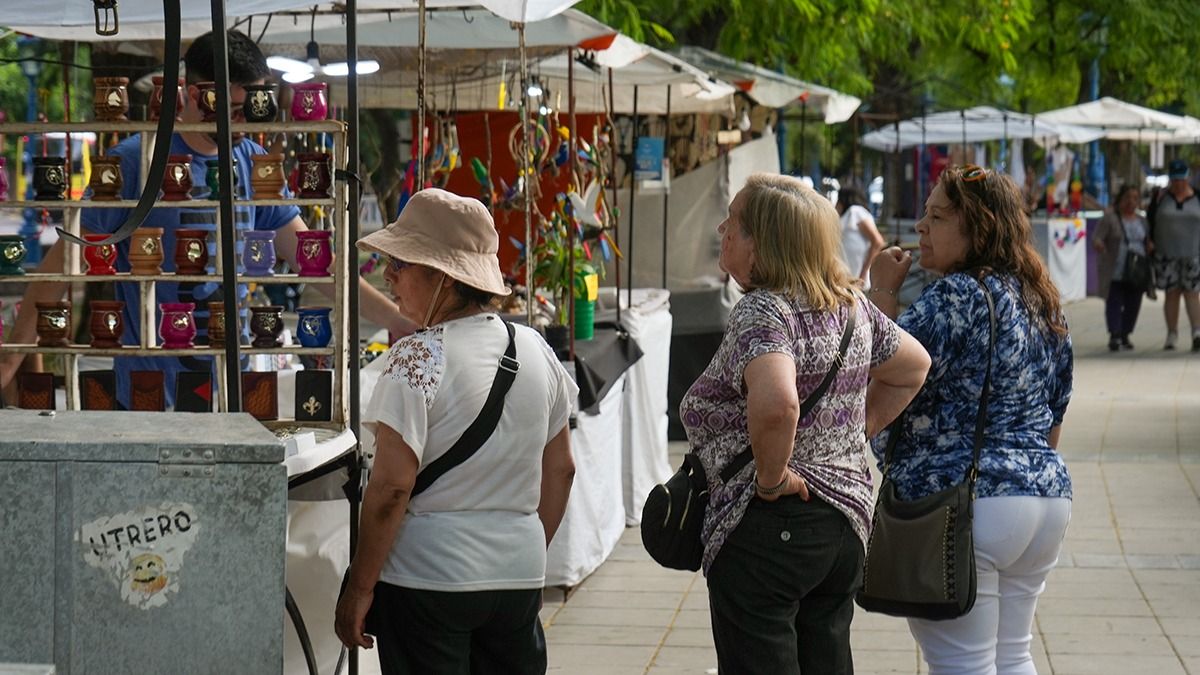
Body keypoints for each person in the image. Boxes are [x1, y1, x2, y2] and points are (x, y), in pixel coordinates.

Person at [0, 29, 411, 408]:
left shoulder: (252, 164)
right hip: (150, 396)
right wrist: (11, 360)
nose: (245, 121)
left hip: (234, 391)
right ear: (194, 96)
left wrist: (394, 319)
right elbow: (62, 266)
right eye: (231, 108)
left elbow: (319, 264)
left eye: (252, 107)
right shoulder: (136, 162)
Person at [681, 173, 931, 674]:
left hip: (770, 527)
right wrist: (852, 434)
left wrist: (773, 478)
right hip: (842, 526)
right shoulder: (851, 306)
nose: (721, 229)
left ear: (760, 245)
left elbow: (778, 406)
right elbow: (913, 367)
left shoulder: (764, 310)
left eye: (733, 221)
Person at [334, 189, 577, 673]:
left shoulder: (416, 358)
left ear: (442, 278)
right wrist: (518, 553)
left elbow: (390, 490)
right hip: (518, 576)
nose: (388, 276)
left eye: (400, 264)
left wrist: (359, 587)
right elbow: (563, 470)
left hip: (429, 582)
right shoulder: (535, 349)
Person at [868, 164, 1074, 674]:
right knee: (1013, 656)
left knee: (963, 664)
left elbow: (871, 362)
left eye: (937, 216)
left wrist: (883, 293)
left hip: (965, 507)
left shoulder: (955, 297)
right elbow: (1056, 414)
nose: (920, 226)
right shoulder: (1041, 301)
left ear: (977, 227)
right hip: (1044, 502)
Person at [1148, 159, 1200, 351]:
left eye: (1182, 179)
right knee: (1172, 294)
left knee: (1193, 294)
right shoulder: (1160, 198)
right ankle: (1172, 334)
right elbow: (1150, 221)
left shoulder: (1198, 197)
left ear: (1187, 178)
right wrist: (1149, 241)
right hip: (1166, 254)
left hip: (1193, 254)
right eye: (1175, 180)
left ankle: (1197, 332)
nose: (1179, 183)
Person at [1093, 185, 1149, 351]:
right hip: (1115, 268)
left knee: (1134, 303)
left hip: (1137, 269)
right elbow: (1097, 237)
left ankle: (1125, 333)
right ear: (1120, 199)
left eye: (1135, 198)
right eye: (1127, 198)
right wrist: (1099, 244)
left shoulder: (1142, 221)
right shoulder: (1110, 218)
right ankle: (1115, 334)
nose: (1131, 202)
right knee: (1114, 302)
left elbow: (1148, 240)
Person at [835, 184, 886, 288]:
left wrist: (863, 273)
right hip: (848, 277)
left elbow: (877, 241)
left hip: (857, 277)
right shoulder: (850, 214)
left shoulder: (855, 212)